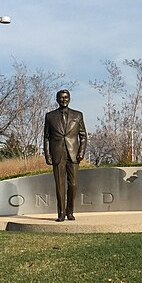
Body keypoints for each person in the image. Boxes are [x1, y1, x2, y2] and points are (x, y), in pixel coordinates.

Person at [43, 89, 87, 221]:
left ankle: (70, 211)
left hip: (73, 154)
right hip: (57, 154)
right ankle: (61, 213)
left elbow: (83, 136)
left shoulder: (78, 115)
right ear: (57, 99)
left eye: (66, 97)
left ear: (69, 98)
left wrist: (81, 152)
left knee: (72, 184)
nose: (64, 99)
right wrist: (47, 155)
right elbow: (46, 137)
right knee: (60, 185)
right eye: (61, 97)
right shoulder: (50, 116)